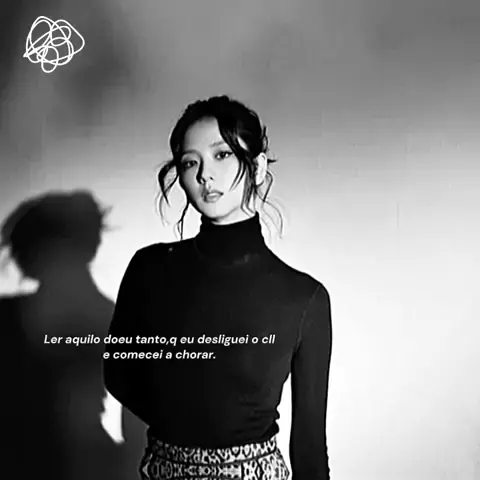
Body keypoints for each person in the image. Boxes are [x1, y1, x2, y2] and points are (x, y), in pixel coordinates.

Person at [103, 95, 333, 480]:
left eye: (222, 155)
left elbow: (309, 447)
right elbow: (119, 372)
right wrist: (185, 428)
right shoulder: (149, 268)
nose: (204, 176)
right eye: (190, 162)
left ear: (257, 166)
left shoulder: (304, 298)